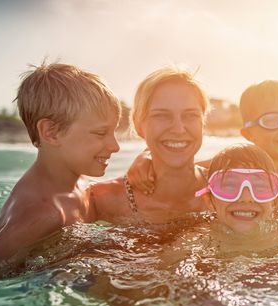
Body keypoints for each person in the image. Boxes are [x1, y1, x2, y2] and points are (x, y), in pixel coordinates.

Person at [0, 62, 121, 280]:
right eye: (101, 133)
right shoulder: (43, 213)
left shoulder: (77, 180)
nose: (115, 146)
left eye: (114, 132)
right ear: (51, 132)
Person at [127, 80, 278, 215]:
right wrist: (147, 157)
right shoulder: (224, 171)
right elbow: (181, 167)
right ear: (248, 134)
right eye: (272, 120)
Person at [89, 66, 210, 224]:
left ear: (203, 123)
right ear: (139, 125)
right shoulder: (103, 200)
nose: (179, 129)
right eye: (161, 115)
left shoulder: (231, 192)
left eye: (190, 115)